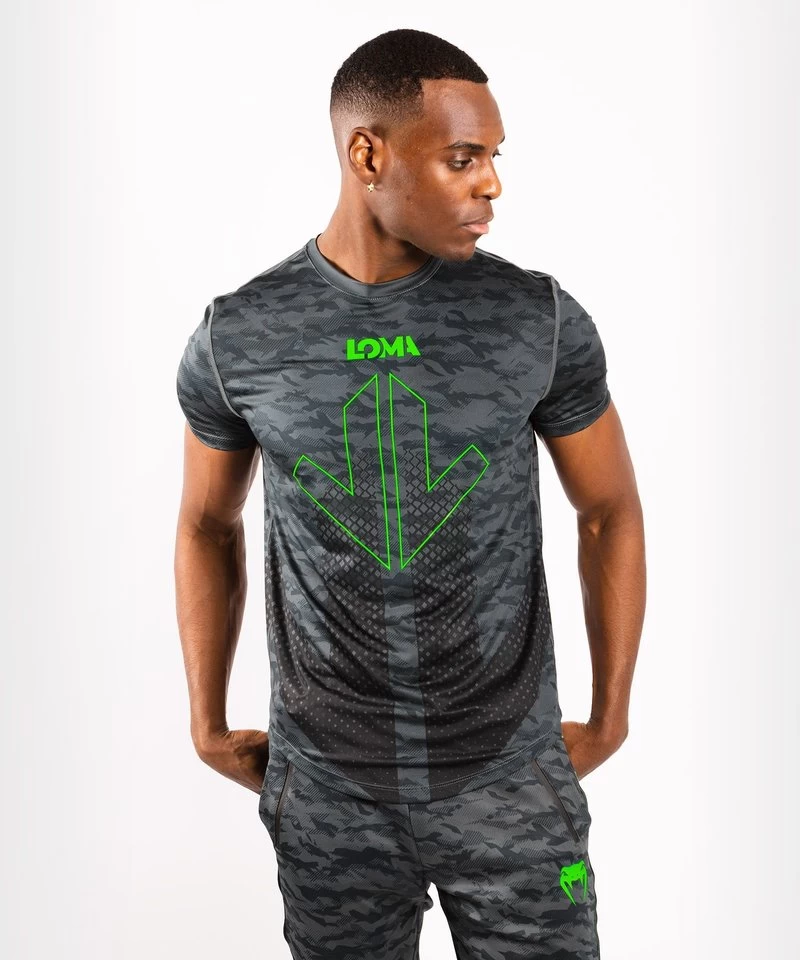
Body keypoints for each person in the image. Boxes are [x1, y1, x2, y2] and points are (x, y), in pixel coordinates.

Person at [174, 27, 645, 960]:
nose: (491, 184)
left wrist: (610, 716)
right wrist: (204, 722)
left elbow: (609, 511)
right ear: (368, 156)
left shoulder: (535, 318)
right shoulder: (243, 335)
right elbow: (204, 523)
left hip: (511, 783)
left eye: (495, 158)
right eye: (463, 159)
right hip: (330, 793)